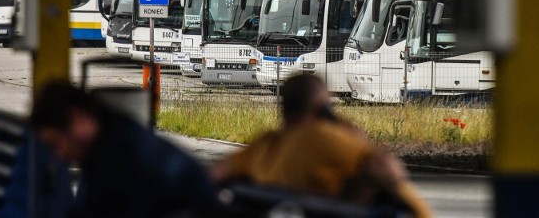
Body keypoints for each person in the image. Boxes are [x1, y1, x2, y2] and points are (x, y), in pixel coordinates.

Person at [212, 74, 432, 218]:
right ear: (322, 107)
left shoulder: (266, 144)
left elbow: (216, 174)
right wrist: (348, 130)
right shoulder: (337, 141)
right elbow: (391, 175)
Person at [31, 81, 216, 218]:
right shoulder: (110, 140)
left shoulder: (123, 161)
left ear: (79, 119)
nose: (59, 155)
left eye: (56, 144)